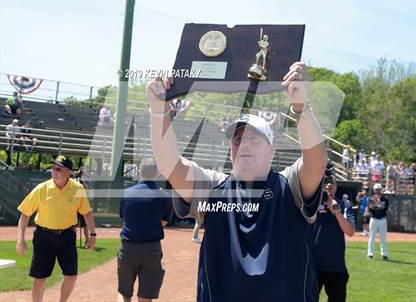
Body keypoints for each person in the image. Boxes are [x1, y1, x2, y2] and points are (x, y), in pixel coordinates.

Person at [147, 62, 327, 301]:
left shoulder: (289, 184)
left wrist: (302, 108)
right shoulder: (213, 187)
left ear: (271, 150)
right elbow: (169, 163)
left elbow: (316, 163)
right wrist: (159, 111)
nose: (243, 144)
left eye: (254, 138)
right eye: (237, 139)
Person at [16, 155, 97, 302]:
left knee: (71, 277)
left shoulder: (77, 188)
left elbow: (87, 212)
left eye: (58, 168)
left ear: (68, 172)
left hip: (67, 237)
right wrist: (20, 240)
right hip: (44, 237)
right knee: (40, 279)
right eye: (53, 168)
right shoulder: (42, 189)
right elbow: (24, 215)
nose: (54, 171)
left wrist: (92, 234)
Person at [118, 158, 171, 302]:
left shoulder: (126, 193)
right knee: (145, 297)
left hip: (128, 248)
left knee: (124, 293)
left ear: (140, 171)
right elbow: (164, 222)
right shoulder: (164, 196)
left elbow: (125, 218)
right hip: (151, 250)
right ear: (157, 173)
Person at [311, 176, 355, 302]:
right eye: (325, 183)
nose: (328, 186)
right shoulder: (311, 204)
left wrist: (337, 212)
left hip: (336, 266)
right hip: (314, 266)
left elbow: (350, 231)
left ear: (336, 187)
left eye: (332, 183)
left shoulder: (344, 204)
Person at [367, 183, 389, 260]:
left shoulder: (385, 199)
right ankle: (370, 254)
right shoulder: (371, 199)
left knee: (383, 238)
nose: (377, 191)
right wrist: (373, 204)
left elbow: (385, 208)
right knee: (372, 238)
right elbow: (370, 209)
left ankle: (384, 254)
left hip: (382, 219)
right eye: (376, 189)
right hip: (374, 219)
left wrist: (379, 203)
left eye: (379, 189)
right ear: (374, 190)